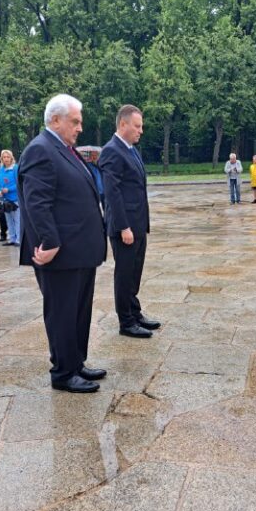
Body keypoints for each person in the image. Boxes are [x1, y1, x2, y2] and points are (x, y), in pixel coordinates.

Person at [18, 93, 106, 393]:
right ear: (55, 120)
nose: (80, 127)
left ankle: (76, 362)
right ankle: (63, 373)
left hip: (79, 250)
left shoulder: (65, 149)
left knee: (79, 311)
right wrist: (49, 241)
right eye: (75, 121)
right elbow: (36, 203)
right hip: (60, 253)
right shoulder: (40, 150)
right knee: (62, 314)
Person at [99, 105, 160, 339]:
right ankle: (126, 322)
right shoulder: (111, 151)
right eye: (137, 126)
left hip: (137, 224)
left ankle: (135, 313)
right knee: (124, 275)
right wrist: (124, 227)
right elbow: (111, 193)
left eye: (141, 126)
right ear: (122, 124)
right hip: (124, 227)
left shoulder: (131, 149)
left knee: (135, 272)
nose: (140, 131)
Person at [0, 150, 20, 246]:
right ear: (1, 158)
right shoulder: (0, 169)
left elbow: (19, 183)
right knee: (8, 220)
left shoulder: (15, 168)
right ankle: (12, 239)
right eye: (4, 157)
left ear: (11, 158)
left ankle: (18, 239)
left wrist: (8, 189)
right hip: (4, 199)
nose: (6, 159)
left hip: (15, 199)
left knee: (17, 220)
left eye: (7, 157)